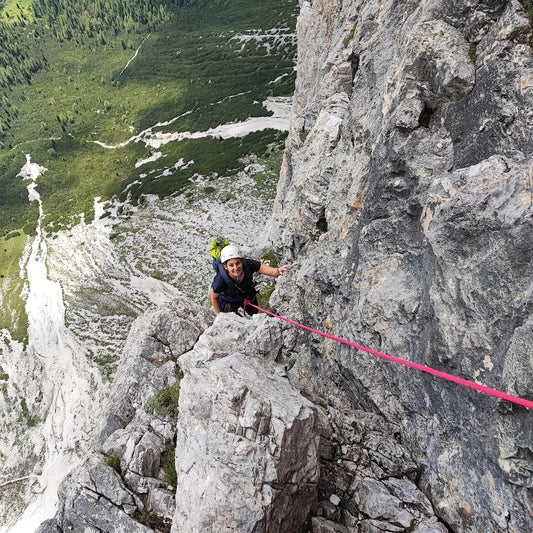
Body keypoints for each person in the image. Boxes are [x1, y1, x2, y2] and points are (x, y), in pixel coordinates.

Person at [210, 244, 292, 315]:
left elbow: (264, 269)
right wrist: (220, 315)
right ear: (225, 266)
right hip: (230, 301)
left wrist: (278, 271)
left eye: (238, 263)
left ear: (242, 261)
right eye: (231, 265)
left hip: (248, 296)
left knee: (254, 313)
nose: (235, 268)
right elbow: (214, 298)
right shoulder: (220, 280)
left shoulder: (248, 265)